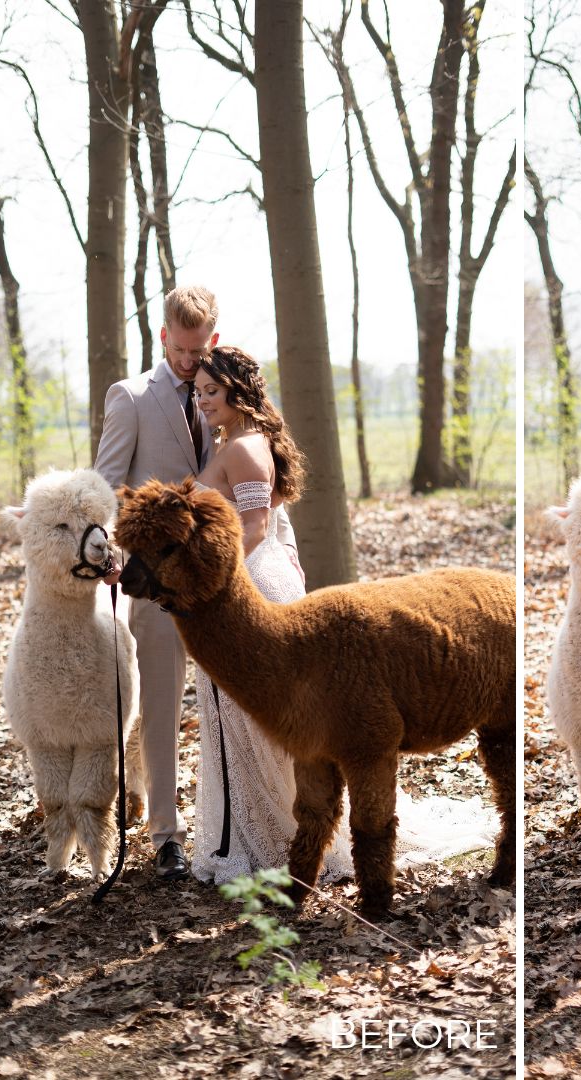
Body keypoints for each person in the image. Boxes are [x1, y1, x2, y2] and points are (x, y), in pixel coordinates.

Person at [190, 347, 496, 886]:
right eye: (199, 392)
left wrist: (211, 573)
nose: (203, 400)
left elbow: (255, 527)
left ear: (237, 393)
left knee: (260, 721)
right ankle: (255, 836)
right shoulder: (236, 443)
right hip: (253, 579)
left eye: (212, 391)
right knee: (241, 724)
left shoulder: (242, 449)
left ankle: (275, 841)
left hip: (247, 583)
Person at [94, 285, 299, 881]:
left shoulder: (223, 397)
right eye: (179, 350)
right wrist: (112, 554)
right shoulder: (130, 398)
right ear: (164, 337)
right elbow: (108, 486)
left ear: (211, 339)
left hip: (234, 590)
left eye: (197, 350)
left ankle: (271, 822)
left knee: (241, 710)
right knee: (161, 706)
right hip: (160, 588)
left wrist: (284, 554)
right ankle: (167, 835)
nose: (188, 363)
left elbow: (264, 497)